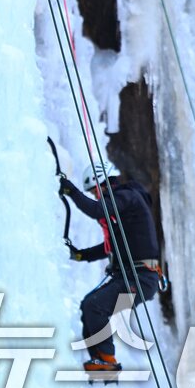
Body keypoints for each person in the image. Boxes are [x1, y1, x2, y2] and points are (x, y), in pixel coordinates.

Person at [59, 159, 164, 375]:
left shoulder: (127, 196)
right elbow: (110, 246)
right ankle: (99, 361)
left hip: (140, 279)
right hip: (135, 278)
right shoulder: (124, 211)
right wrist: (80, 255)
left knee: (96, 306)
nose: (95, 196)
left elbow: (98, 210)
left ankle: (107, 361)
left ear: (102, 183)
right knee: (90, 305)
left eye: (94, 191)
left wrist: (72, 191)